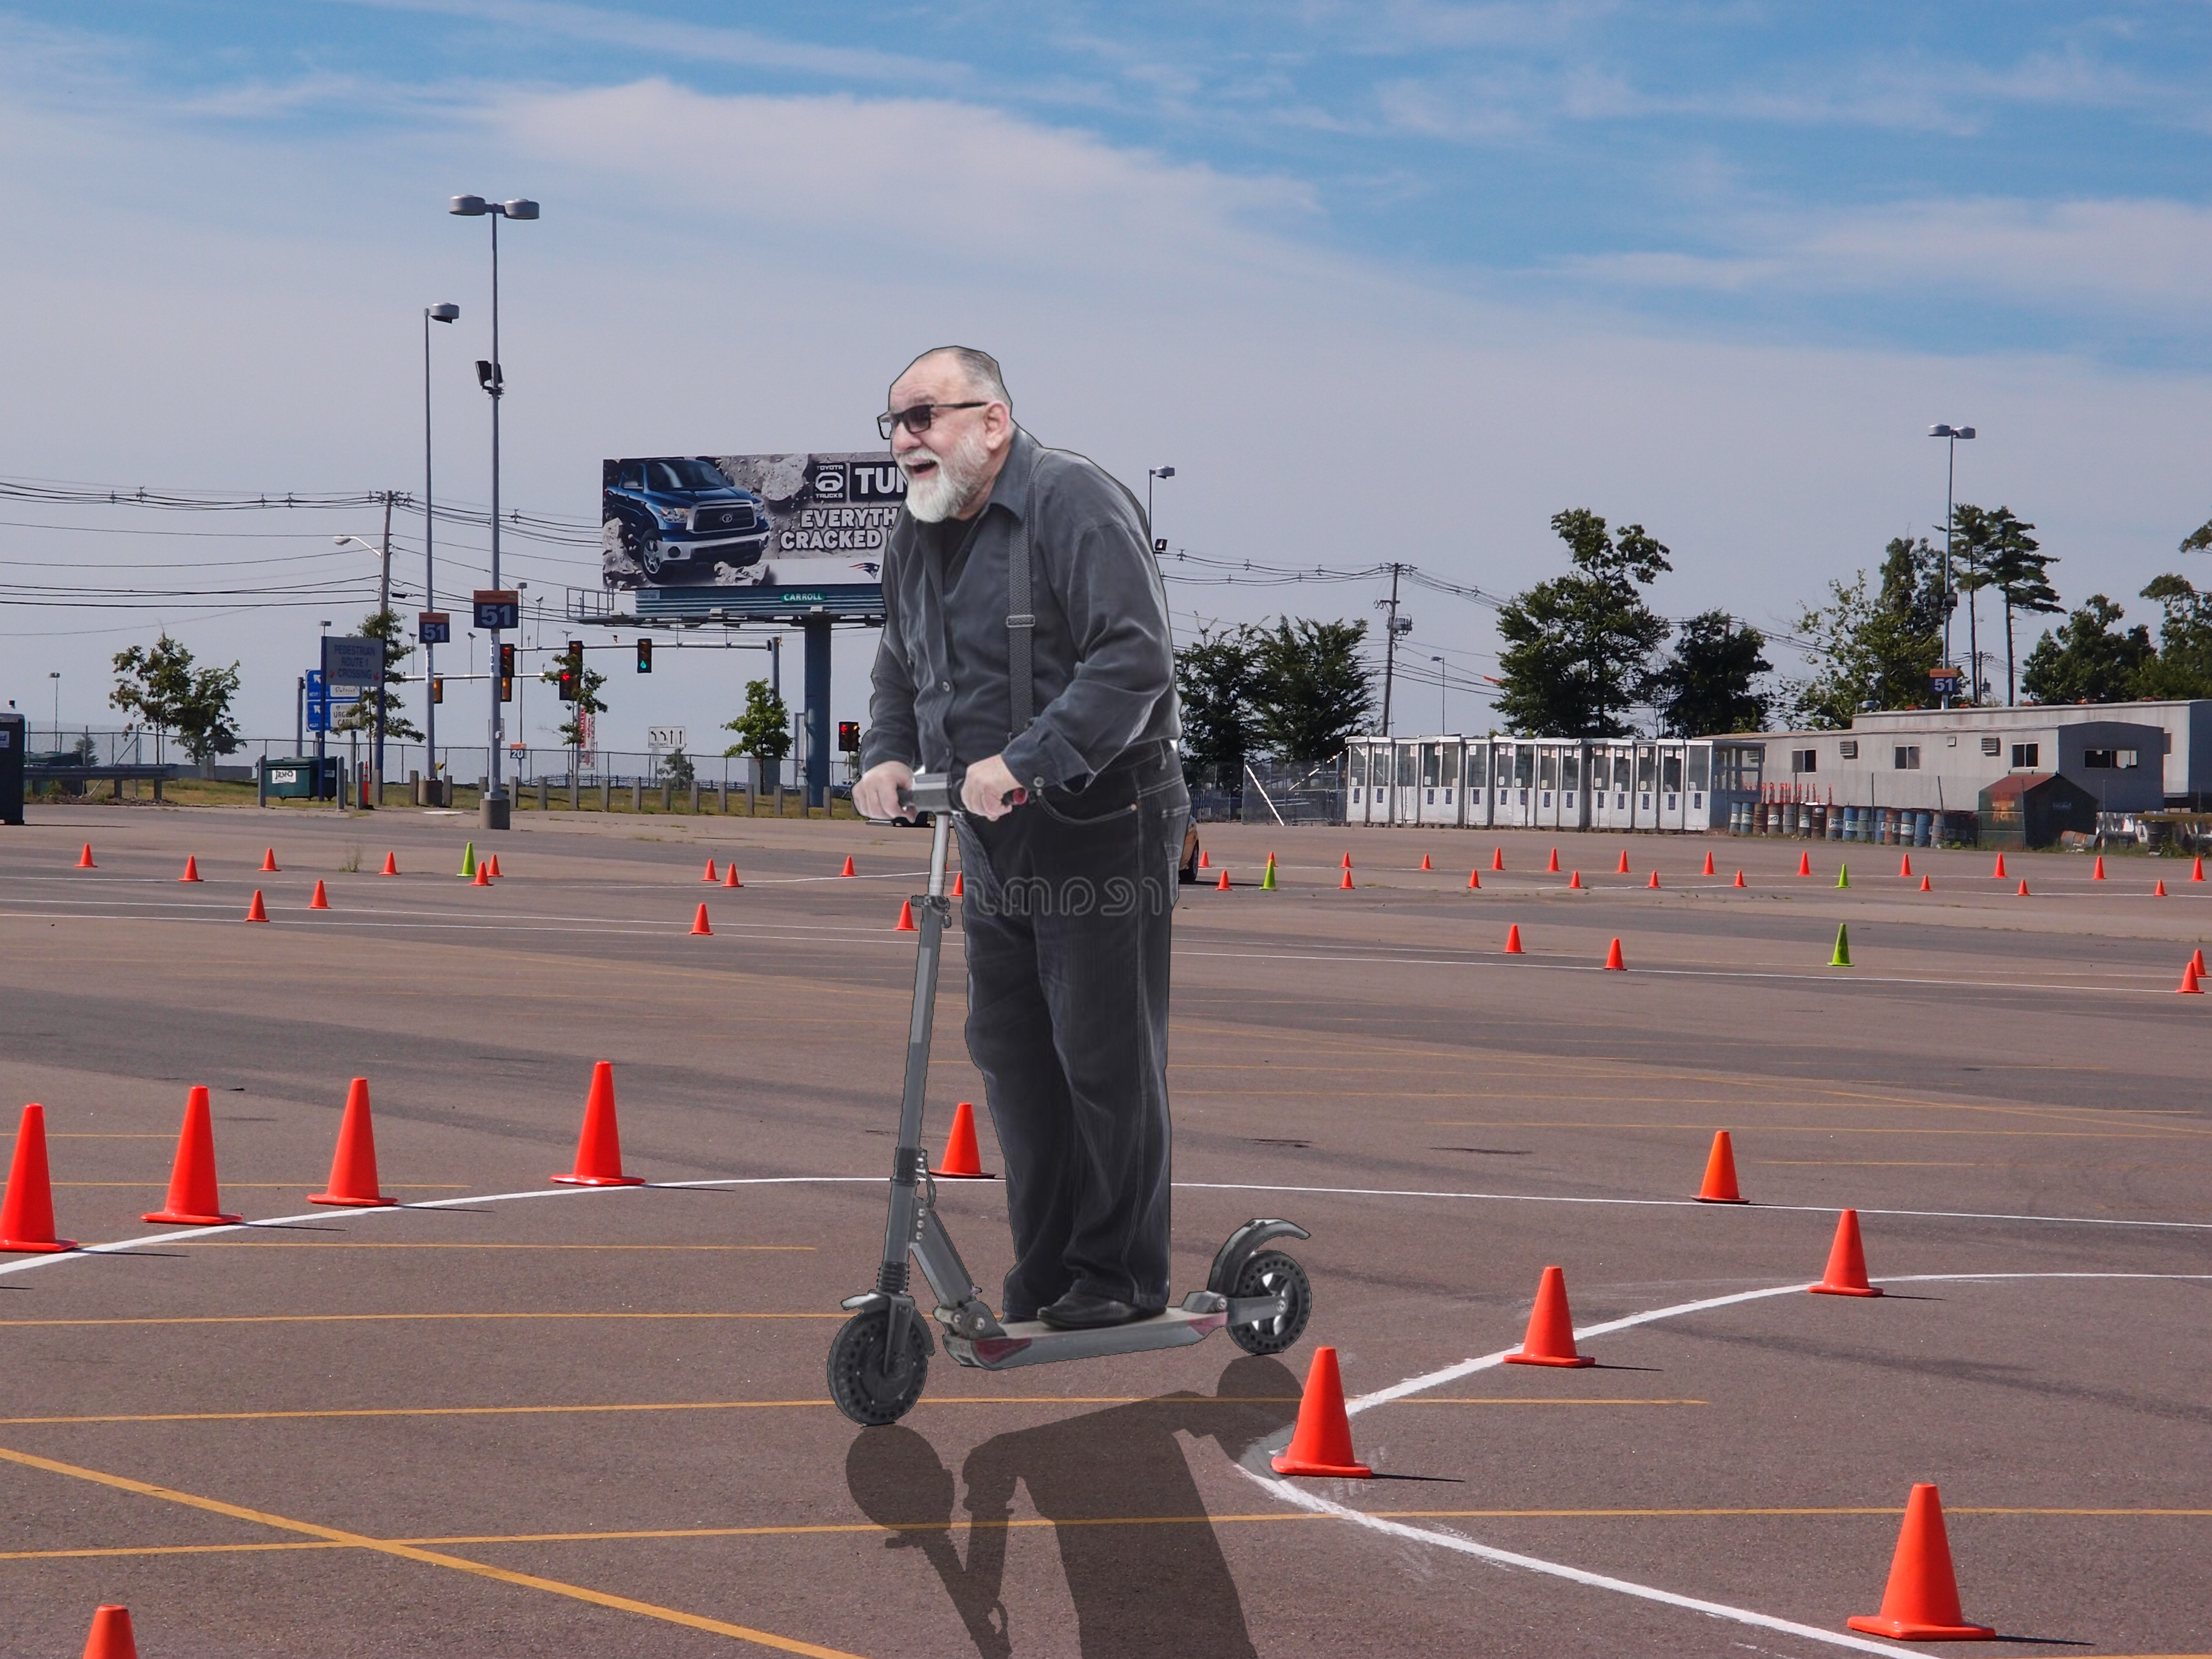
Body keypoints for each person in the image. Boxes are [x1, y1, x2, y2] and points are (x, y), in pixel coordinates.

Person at [853, 346, 1187, 1332]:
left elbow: (1133, 661)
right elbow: (896, 671)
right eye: (896, 423)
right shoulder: (913, 537)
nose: (907, 438)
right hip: (988, 833)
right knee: (1011, 1051)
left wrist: (1029, 760)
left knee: (1102, 1048)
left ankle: (1120, 1272)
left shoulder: (1071, 500)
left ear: (992, 421)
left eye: (925, 416)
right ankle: (1050, 1269)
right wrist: (886, 755)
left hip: (1102, 819)